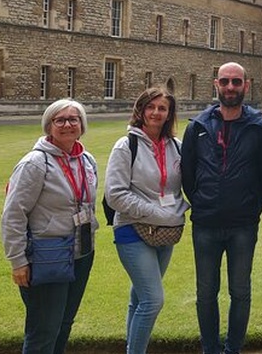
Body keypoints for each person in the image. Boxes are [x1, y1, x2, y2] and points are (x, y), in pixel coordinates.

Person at [181, 62, 262, 354]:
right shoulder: (197, 127)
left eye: (236, 82)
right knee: (206, 293)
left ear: (246, 86)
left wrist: (251, 206)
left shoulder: (259, 128)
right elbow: (187, 173)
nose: (231, 87)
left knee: (240, 292)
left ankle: (233, 349)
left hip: (242, 225)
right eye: (225, 82)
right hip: (206, 224)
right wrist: (201, 200)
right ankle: (210, 349)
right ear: (216, 85)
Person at [1, 99, 99, 354]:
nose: (68, 124)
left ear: (82, 125)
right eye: (60, 120)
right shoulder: (35, 163)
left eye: (73, 119)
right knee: (43, 332)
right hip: (48, 255)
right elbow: (13, 214)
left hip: (82, 252)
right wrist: (18, 261)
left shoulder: (87, 160)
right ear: (49, 125)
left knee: (64, 324)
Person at [105, 87, 189, 354]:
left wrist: (180, 209)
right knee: (153, 300)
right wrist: (162, 214)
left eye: (162, 108)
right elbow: (115, 195)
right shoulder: (125, 146)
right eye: (150, 107)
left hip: (166, 233)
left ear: (169, 114)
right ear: (140, 111)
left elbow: (191, 185)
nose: (156, 113)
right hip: (132, 228)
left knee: (139, 297)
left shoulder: (177, 147)